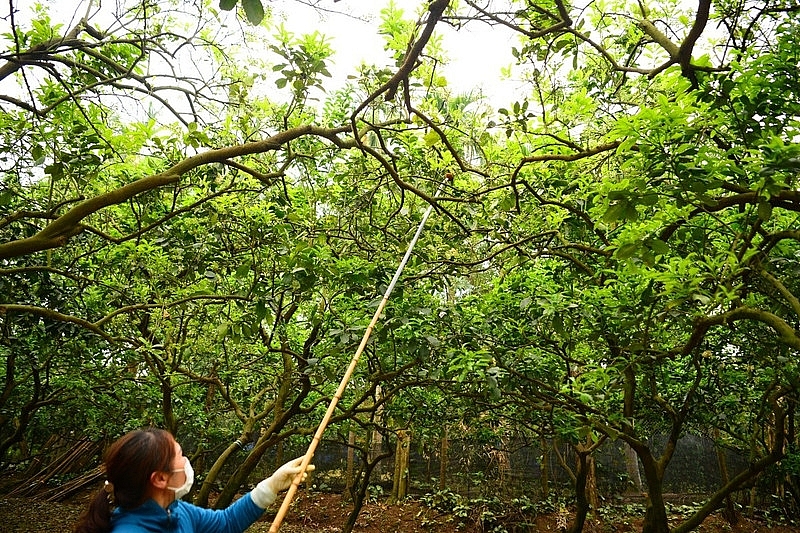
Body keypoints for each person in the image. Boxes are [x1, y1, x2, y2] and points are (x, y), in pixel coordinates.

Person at [74, 428, 314, 533]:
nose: (186, 461)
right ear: (160, 478)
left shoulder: (174, 511)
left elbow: (226, 523)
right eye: (180, 455)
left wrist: (272, 484)